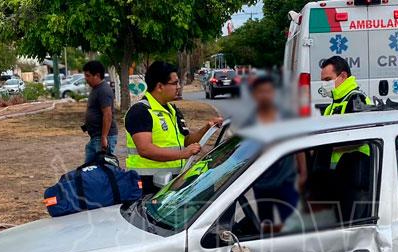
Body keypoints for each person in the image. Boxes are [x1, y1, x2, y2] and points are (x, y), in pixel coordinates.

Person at [125, 61, 223, 194]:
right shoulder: (140, 111)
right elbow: (145, 149)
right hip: (149, 185)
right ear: (160, 86)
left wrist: (207, 128)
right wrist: (183, 154)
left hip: (172, 182)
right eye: (174, 83)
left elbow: (185, 141)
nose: (178, 87)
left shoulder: (172, 110)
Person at [242, 75, 305, 226]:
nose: (265, 95)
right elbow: (244, 154)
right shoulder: (250, 123)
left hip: (286, 181)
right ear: (254, 95)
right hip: (261, 183)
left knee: (293, 225)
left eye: (268, 91)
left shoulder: (286, 118)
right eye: (260, 92)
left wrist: (304, 173)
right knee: (266, 225)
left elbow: (298, 146)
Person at [82, 60, 117, 164]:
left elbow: (108, 114)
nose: (85, 79)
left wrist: (104, 137)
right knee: (88, 169)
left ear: (97, 75)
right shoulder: (96, 89)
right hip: (95, 137)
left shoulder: (103, 90)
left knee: (102, 169)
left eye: (88, 76)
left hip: (103, 138)